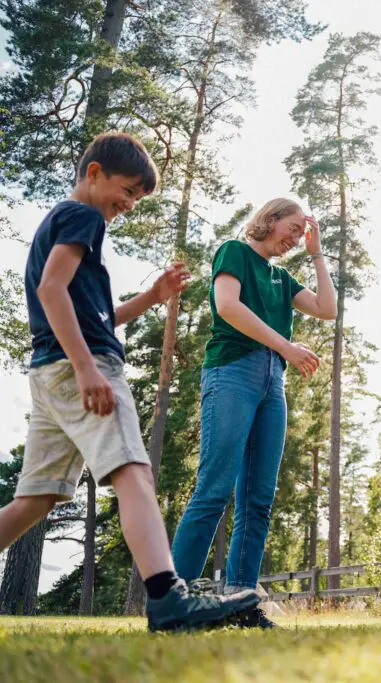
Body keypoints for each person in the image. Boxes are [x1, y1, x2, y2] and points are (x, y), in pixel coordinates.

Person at [0, 132, 259, 631]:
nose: (130, 203)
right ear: (94, 172)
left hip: (49, 372)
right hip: (80, 367)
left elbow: (90, 315)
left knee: (36, 498)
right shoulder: (83, 216)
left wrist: (152, 297)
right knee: (134, 472)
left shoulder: (63, 221)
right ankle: (168, 599)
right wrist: (86, 368)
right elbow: (51, 290)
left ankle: (168, 598)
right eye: (128, 189)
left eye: (139, 197)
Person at [171, 198, 336, 628]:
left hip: (271, 384)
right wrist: (285, 346)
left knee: (257, 500)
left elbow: (327, 308)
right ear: (271, 217)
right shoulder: (235, 252)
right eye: (293, 227)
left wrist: (317, 254)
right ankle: (172, 604)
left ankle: (242, 604)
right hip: (232, 372)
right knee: (214, 489)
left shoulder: (282, 279)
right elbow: (227, 306)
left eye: (302, 233)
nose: (296, 237)